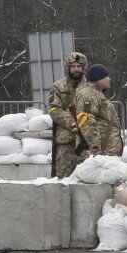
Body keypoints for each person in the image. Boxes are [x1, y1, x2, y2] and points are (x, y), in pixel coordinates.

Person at [47, 50, 89, 178]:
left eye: (79, 66)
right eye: (73, 66)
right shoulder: (58, 86)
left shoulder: (90, 86)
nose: (76, 69)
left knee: (85, 178)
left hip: (86, 141)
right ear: (68, 68)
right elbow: (54, 110)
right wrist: (72, 123)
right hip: (66, 140)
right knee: (63, 178)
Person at [73, 64, 122, 157]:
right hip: (100, 154)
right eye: (107, 76)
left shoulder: (96, 93)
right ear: (99, 79)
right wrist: (95, 151)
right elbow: (87, 122)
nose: (109, 79)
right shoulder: (88, 94)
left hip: (106, 152)